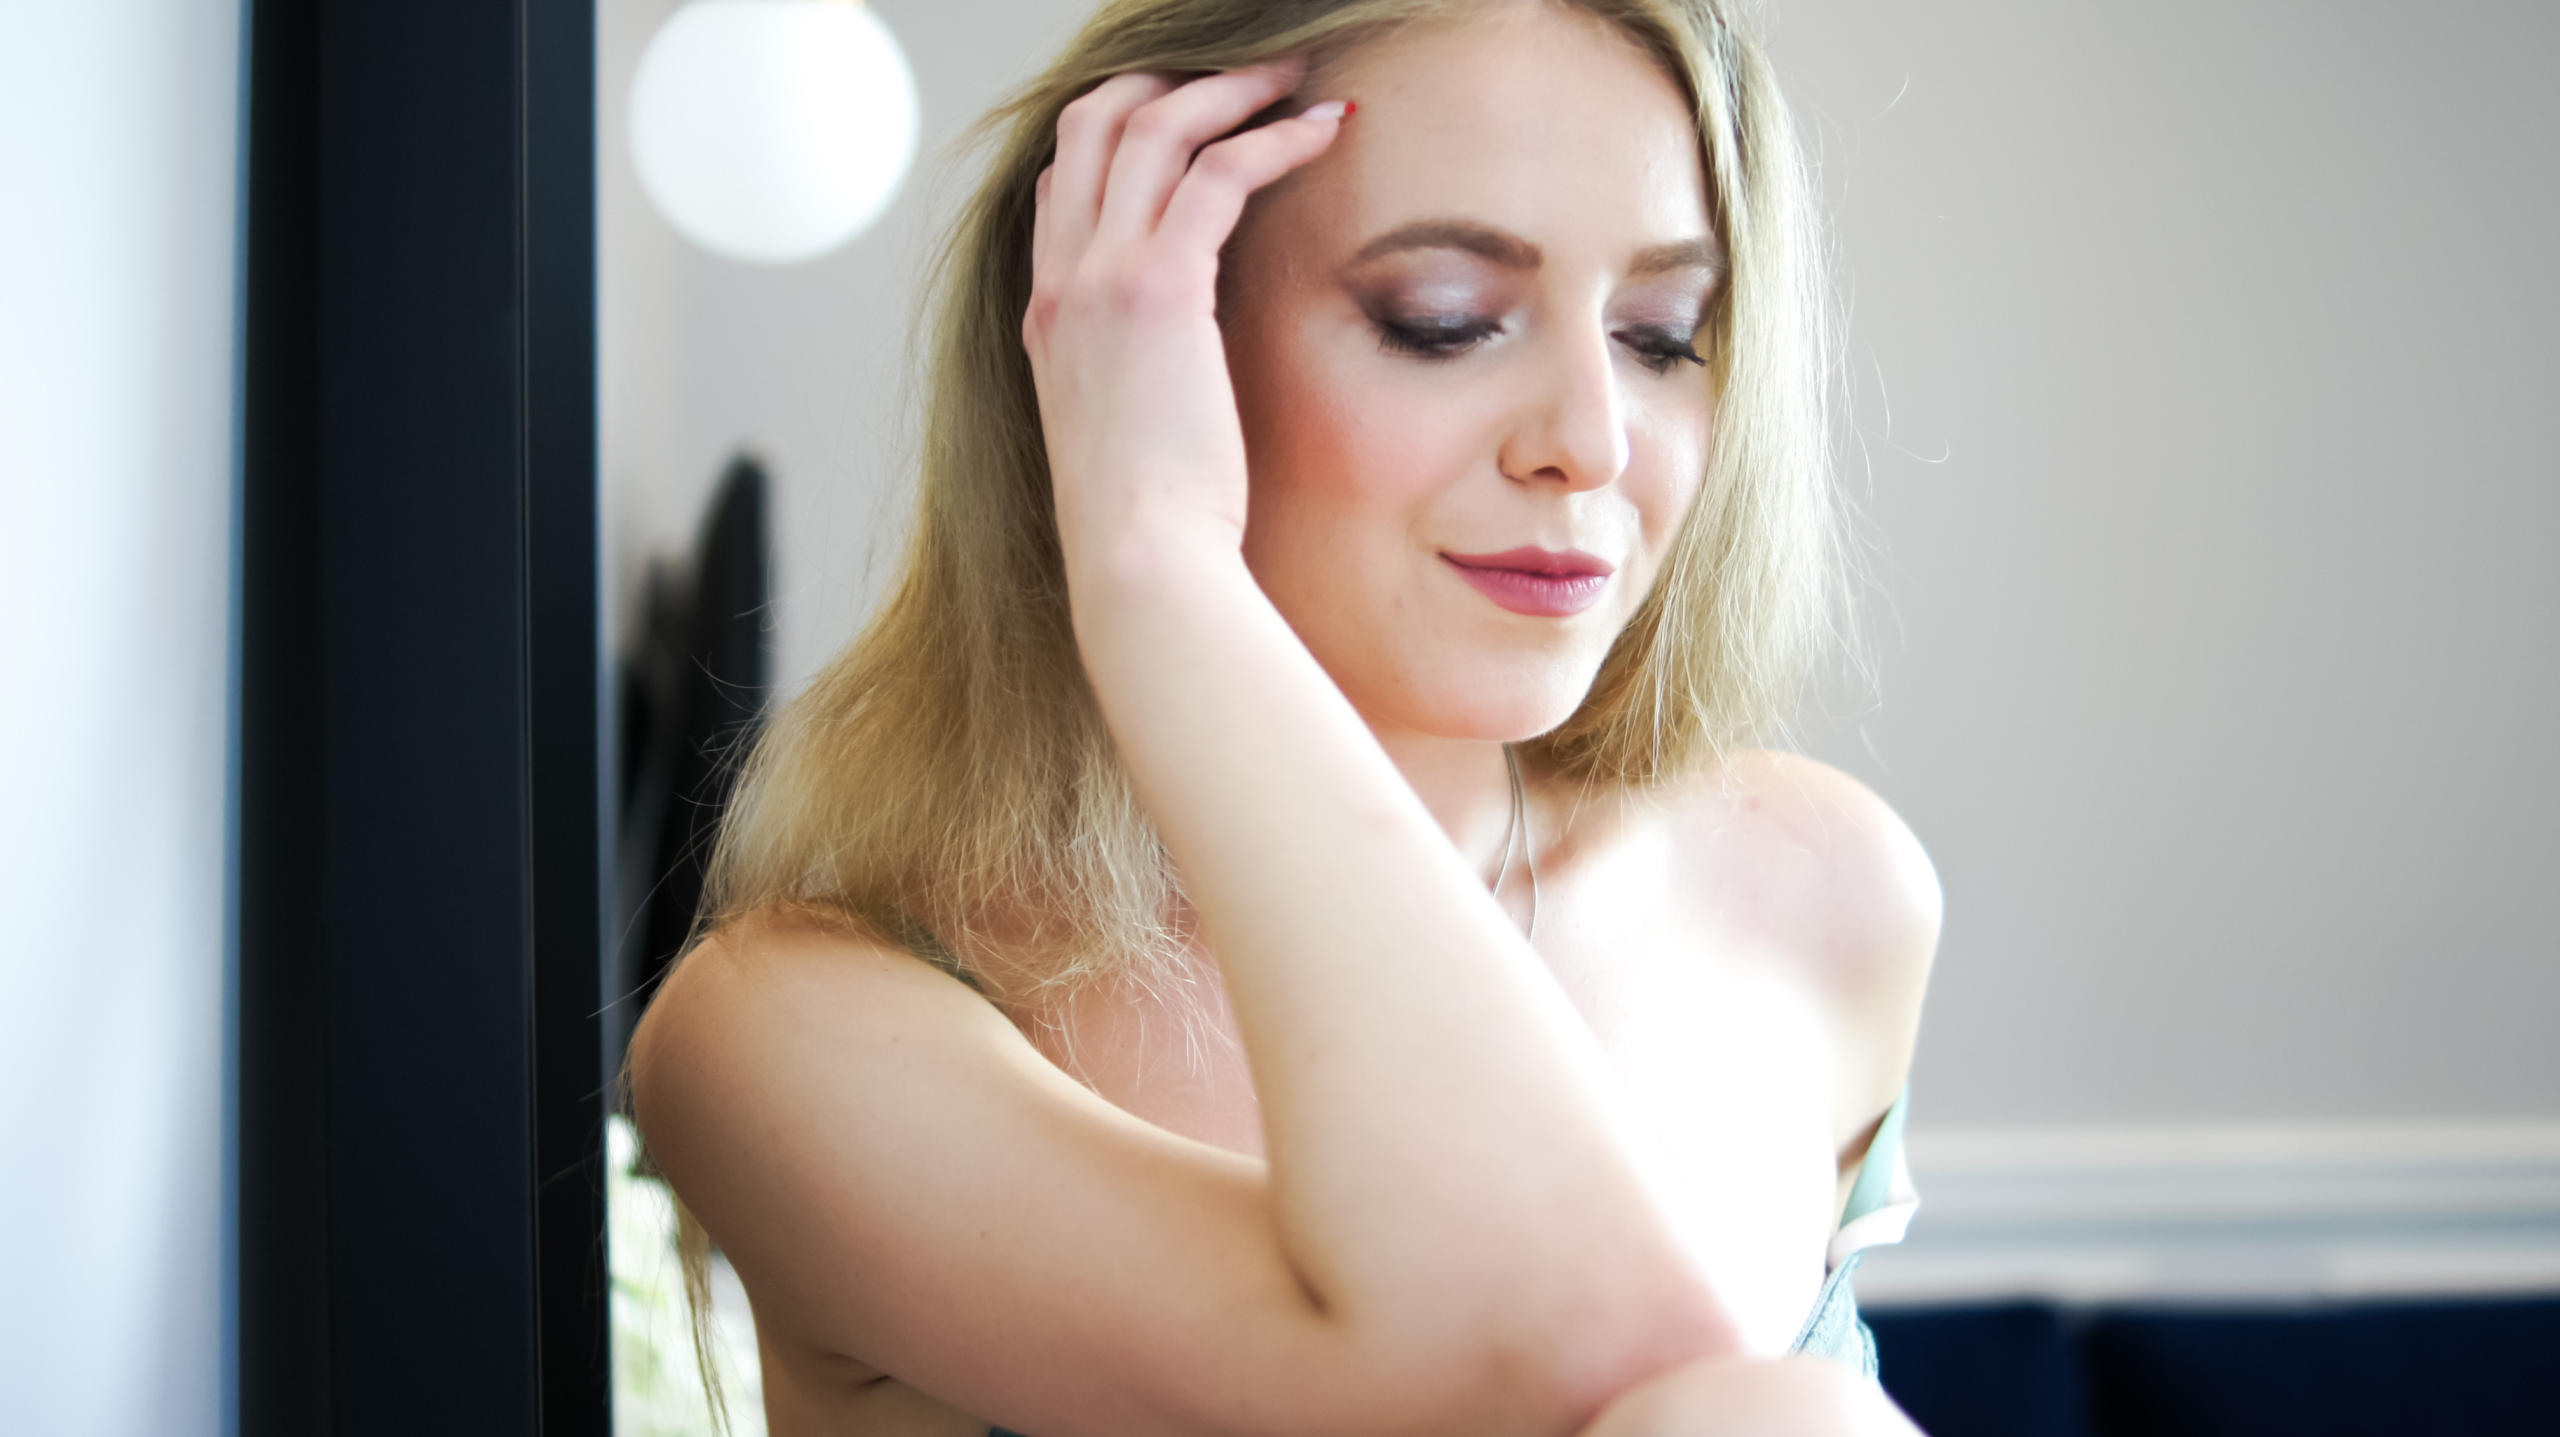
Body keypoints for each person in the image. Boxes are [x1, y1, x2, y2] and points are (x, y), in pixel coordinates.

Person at [625, 1, 1941, 1433]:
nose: (1594, 440)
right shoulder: (793, 1031)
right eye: (1442, 320)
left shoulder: (1821, 889)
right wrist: (1155, 567)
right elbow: (1566, 1349)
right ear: (1141, 336)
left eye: (1662, 336)